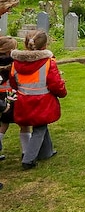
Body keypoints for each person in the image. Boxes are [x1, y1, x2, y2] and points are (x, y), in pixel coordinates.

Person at [12, 30, 67, 169]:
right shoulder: (48, 62)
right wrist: (62, 92)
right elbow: (55, 83)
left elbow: (13, 82)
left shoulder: (16, 62)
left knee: (41, 125)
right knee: (40, 128)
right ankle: (28, 159)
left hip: (23, 100)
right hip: (42, 101)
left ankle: (47, 152)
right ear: (45, 45)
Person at [0, 37, 21, 163]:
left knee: (2, 124)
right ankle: (27, 152)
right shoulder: (13, 63)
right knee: (21, 124)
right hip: (8, 96)